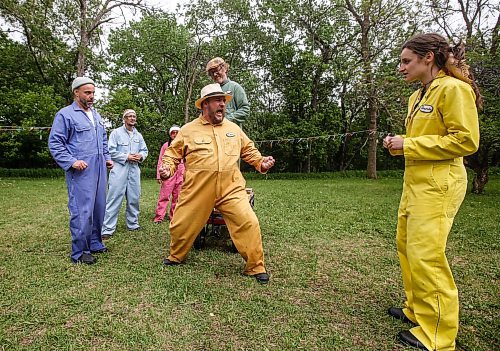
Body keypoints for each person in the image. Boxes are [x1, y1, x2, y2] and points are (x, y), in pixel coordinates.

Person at [383, 33, 481, 351]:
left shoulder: (454, 89)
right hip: (415, 184)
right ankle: (417, 310)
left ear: (428, 58)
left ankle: (438, 333)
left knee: (427, 255)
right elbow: (429, 139)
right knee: (407, 246)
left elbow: (466, 141)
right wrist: (400, 144)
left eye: (406, 61)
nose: (401, 67)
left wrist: (408, 144)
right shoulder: (417, 97)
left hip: (441, 185)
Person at [159, 83, 275, 284]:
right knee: (180, 225)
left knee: (249, 222)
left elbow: (249, 150)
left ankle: (256, 266)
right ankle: (176, 255)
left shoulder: (233, 129)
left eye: (224, 101)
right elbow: (172, 153)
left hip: (231, 188)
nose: (223, 104)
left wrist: (261, 162)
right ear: (205, 104)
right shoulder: (188, 130)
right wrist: (167, 168)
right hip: (197, 189)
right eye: (218, 101)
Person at [48, 77, 113, 264]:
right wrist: (71, 161)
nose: (91, 96)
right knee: (82, 209)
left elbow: (102, 139)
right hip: (81, 170)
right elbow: (55, 143)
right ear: (76, 92)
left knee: (99, 207)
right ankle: (80, 251)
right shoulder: (65, 115)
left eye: (93, 93)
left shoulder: (96, 115)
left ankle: (95, 242)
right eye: (87, 92)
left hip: (100, 168)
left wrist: (107, 158)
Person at [101, 109, 148, 239]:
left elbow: (144, 150)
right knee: (114, 198)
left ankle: (133, 224)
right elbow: (110, 151)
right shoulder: (116, 133)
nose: (132, 118)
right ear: (124, 119)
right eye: (129, 116)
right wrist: (126, 156)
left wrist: (140, 156)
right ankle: (107, 229)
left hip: (134, 170)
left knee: (134, 198)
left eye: (134, 116)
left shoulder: (138, 135)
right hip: (119, 170)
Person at [153, 125, 185, 224]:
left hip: (181, 173)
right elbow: (160, 160)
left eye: (177, 132)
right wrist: (159, 175)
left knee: (177, 197)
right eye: (173, 132)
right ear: (170, 134)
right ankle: (159, 217)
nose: (175, 134)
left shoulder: (184, 145)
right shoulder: (166, 145)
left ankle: (174, 217)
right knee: (164, 196)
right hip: (168, 173)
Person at [206, 57, 250, 126]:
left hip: (231, 132)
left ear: (225, 68)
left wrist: (226, 119)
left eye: (217, 70)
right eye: (212, 73)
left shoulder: (235, 87)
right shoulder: (211, 90)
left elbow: (245, 110)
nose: (215, 74)